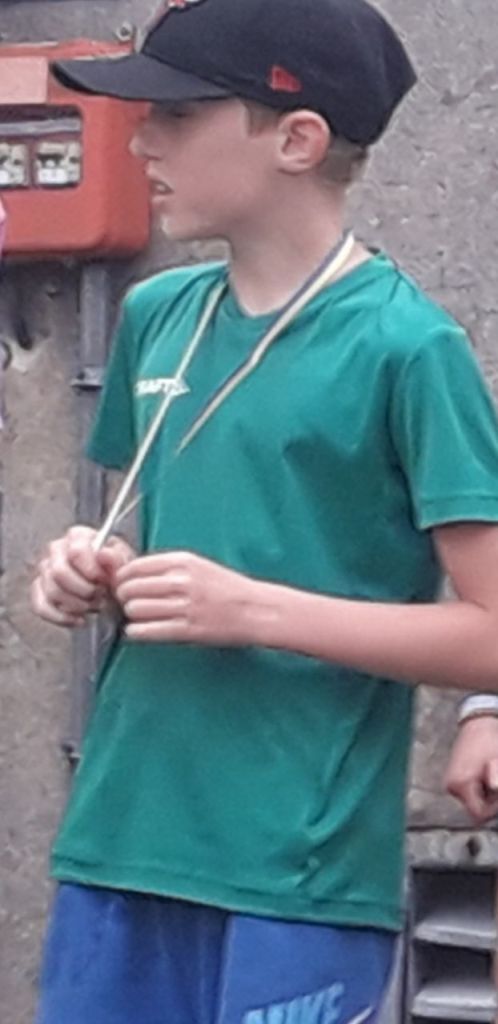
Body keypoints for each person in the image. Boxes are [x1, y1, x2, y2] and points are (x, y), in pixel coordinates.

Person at [30, 1, 498, 1022]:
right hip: (119, 841)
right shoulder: (158, 314)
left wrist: (252, 611)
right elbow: (159, 524)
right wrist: (88, 564)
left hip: (295, 871)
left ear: (298, 139)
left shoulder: (409, 349)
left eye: (178, 115)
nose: (141, 142)